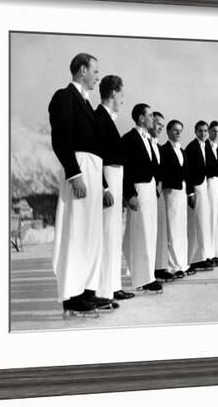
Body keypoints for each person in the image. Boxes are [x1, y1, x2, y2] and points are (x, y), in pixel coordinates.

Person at [48, 52, 105, 314]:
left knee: (90, 234)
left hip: (93, 170)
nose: (97, 76)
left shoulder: (86, 101)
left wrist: (100, 182)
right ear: (82, 70)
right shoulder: (64, 97)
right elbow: (61, 139)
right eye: (94, 71)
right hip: (80, 170)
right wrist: (75, 174)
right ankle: (72, 295)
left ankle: (87, 291)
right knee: (76, 233)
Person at [94, 75, 135, 304]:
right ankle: (102, 290)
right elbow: (96, 156)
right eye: (121, 94)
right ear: (113, 93)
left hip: (116, 178)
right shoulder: (99, 117)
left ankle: (113, 285)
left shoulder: (108, 118)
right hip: (108, 179)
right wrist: (104, 187)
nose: (122, 99)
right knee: (106, 236)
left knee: (113, 236)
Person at [121, 104, 163, 292]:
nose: (153, 119)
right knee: (141, 233)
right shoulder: (129, 139)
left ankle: (148, 275)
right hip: (138, 190)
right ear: (140, 118)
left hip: (150, 190)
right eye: (150, 115)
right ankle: (142, 278)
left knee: (150, 232)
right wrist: (130, 194)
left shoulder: (148, 139)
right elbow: (125, 169)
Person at [159, 120, 195, 278]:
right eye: (175, 130)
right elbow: (164, 172)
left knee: (181, 229)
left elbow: (187, 172)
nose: (178, 133)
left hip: (181, 193)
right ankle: (171, 266)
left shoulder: (183, 151)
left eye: (180, 130)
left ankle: (181, 264)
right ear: (168, 131)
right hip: (170, 192)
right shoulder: (164, 150)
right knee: (172, 229)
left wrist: (190, 193)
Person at [148, 112, 174, 283]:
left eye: (162, 126)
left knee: (160, 231)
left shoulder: (157, 146)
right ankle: (150, 270)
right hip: (148, 189)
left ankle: (159, 267)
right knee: (150, 231)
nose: (160, 128)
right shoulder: (146, 142)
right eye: (157, 124)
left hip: (159, 190)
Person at [185, 121, 214, 271]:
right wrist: (190, 192)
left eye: (205, 131)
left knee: (204, 223)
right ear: (195, 132)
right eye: (201, 131)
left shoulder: (206, 146)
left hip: (204, 187)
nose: (203, 134)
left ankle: (203, 256)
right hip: (196, 188)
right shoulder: (191, 148)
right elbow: (187, 172)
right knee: (196, 223)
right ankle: (195, 259)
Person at [206, 121, 218, 266]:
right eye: (214, 131)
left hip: (216, 186)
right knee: (210, 220)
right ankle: (209, 253)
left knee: (217, 219)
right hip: (208, 185)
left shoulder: (216, 147)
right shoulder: (205, 146)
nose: (216, 134)